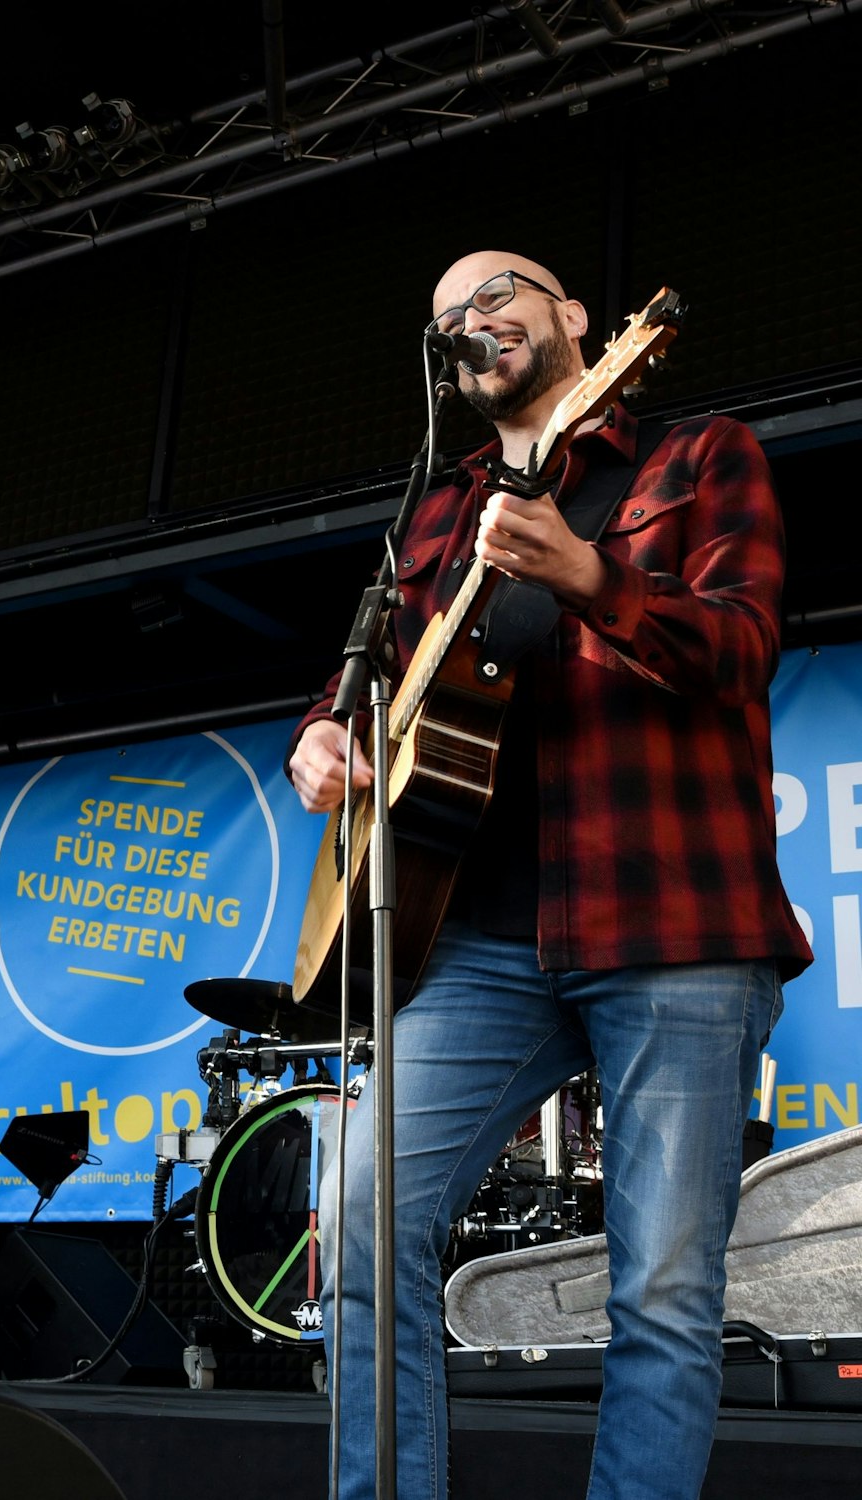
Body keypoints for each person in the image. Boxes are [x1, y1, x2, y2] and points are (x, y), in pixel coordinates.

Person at [289, 252, 813, 1499]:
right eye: (444, 316)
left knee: (662, 1285)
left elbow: (741, 648)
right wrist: (323, 733)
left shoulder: (696, 455)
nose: (469, 320)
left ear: (574, 319)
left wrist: (590, 576)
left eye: (496, 293)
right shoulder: (436, 506)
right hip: (472, 935)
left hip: (672, 921)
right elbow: (366, 676)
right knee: (361, 1224)